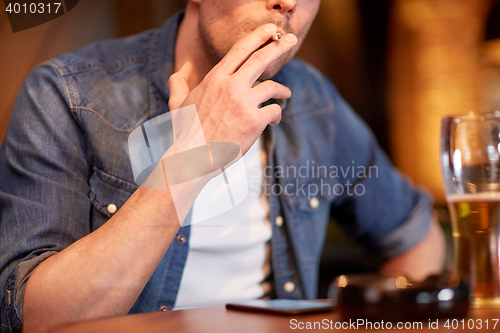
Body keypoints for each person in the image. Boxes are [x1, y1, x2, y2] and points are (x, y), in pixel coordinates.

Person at [0, 0, 445, 332]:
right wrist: (195, 153)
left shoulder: (312, 101)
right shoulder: (66, 95)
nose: (287, 2)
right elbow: (35, 318)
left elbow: (417, 238)